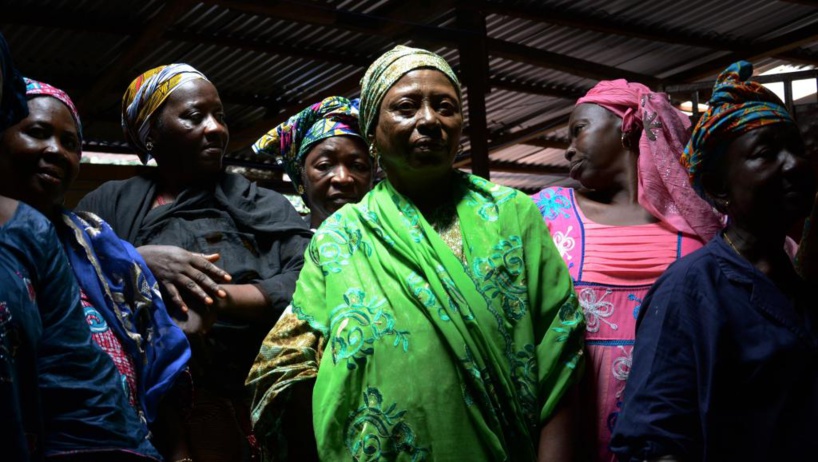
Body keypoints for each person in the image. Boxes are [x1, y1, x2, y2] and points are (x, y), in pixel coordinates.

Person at [246, 45, 585, 461]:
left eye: (445, 107)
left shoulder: (513, 214)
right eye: (406, 107)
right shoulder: (341, 235)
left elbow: (560, 351)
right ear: (372, 131)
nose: (429, 120)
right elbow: (284, 362)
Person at [77, 64, 313, 461]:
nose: (216, 128)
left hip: (259, 395)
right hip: (158, 413)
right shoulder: (110, 205)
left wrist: (218, 298)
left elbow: (310, 275)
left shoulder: (260, 203)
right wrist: (139, 261)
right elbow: (73, 276)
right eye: (194, 116)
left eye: (219, 115)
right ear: (151, 133)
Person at [610, 61, 818, 461]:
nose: (793, 164)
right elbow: (651, 443)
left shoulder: (800, 283)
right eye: (766, 153)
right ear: (719, 189)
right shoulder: (690, 290)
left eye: (796, 148)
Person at [0, 76, 193, 460]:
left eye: (70, 143)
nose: (56, 150)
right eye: (37, 132)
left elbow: (160, 361)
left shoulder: (106, 249)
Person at [530, 79, 723, 461]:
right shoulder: (546, 213)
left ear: (628, 124)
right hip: (572, 428)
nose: (567, 149)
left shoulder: (701, 221)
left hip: (678, 430)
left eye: (578, 130)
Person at [252, 96, 372, 229]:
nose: (343, 178)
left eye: (358, 166)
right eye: (324, 166)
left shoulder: (395, 241)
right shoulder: (282, 247)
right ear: (300, 176)